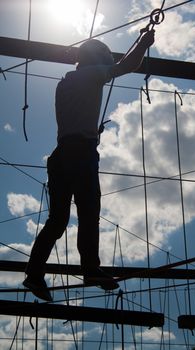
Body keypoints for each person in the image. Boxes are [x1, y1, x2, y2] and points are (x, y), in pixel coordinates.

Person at [23, 29, 155, 301]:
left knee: (57, 220)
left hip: (61, 155)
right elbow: (128, 65)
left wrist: (92, 133)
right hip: (81, 154)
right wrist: (143, 42)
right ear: (96, 59)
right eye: (105, 59)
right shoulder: (93, 75)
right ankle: (90, 268)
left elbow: (76, 118)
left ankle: (34, 274)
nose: (107, 64)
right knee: (88, 210)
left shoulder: (66, 82)